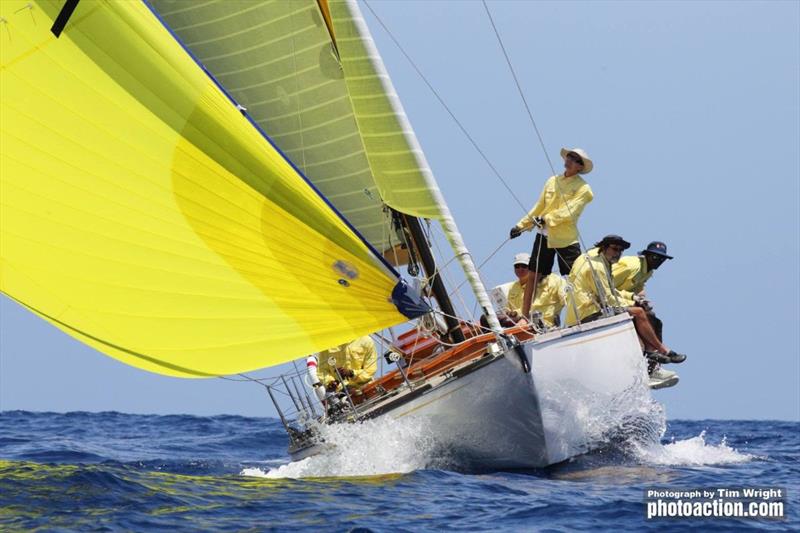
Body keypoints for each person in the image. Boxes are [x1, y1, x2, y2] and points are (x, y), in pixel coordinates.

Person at [565, 235, 685, 364]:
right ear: (604, 247)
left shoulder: (601, 260)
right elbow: (608, 294)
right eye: (615, 249)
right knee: (639, 313)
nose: (618, 253)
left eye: (621, 250)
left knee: (652, 318)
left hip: (596, 305)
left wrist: (634, 297)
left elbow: (610, 289)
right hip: (589, 310)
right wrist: (631, 303)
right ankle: (660, 351)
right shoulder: (613, 266)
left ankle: (651, 359)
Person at [509, 148, 594, 320]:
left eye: (575, 159)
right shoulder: (552, 181)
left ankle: (583, 314)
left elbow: (570, 212)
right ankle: (525, 318)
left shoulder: (584, 189)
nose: (570, 160)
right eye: (570, 157)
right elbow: (539, 206)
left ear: (580, 167)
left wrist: (546, 218)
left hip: (566, 239)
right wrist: (521, 225)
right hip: (544, 235)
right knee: (533, 275)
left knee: (575, 277)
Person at [612, 241, 674, 341]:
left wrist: (643, 300)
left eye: (662, 258)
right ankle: (654, 348)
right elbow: (605, 286)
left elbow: (638, 288)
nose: (658, 261)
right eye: (655, 257)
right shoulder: (630, 266)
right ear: (646, 255)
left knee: (653, 318)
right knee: (641, 313)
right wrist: (633, 299)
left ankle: (654, 350)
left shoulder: (648, 271)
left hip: (621, 298)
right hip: (608, 299)